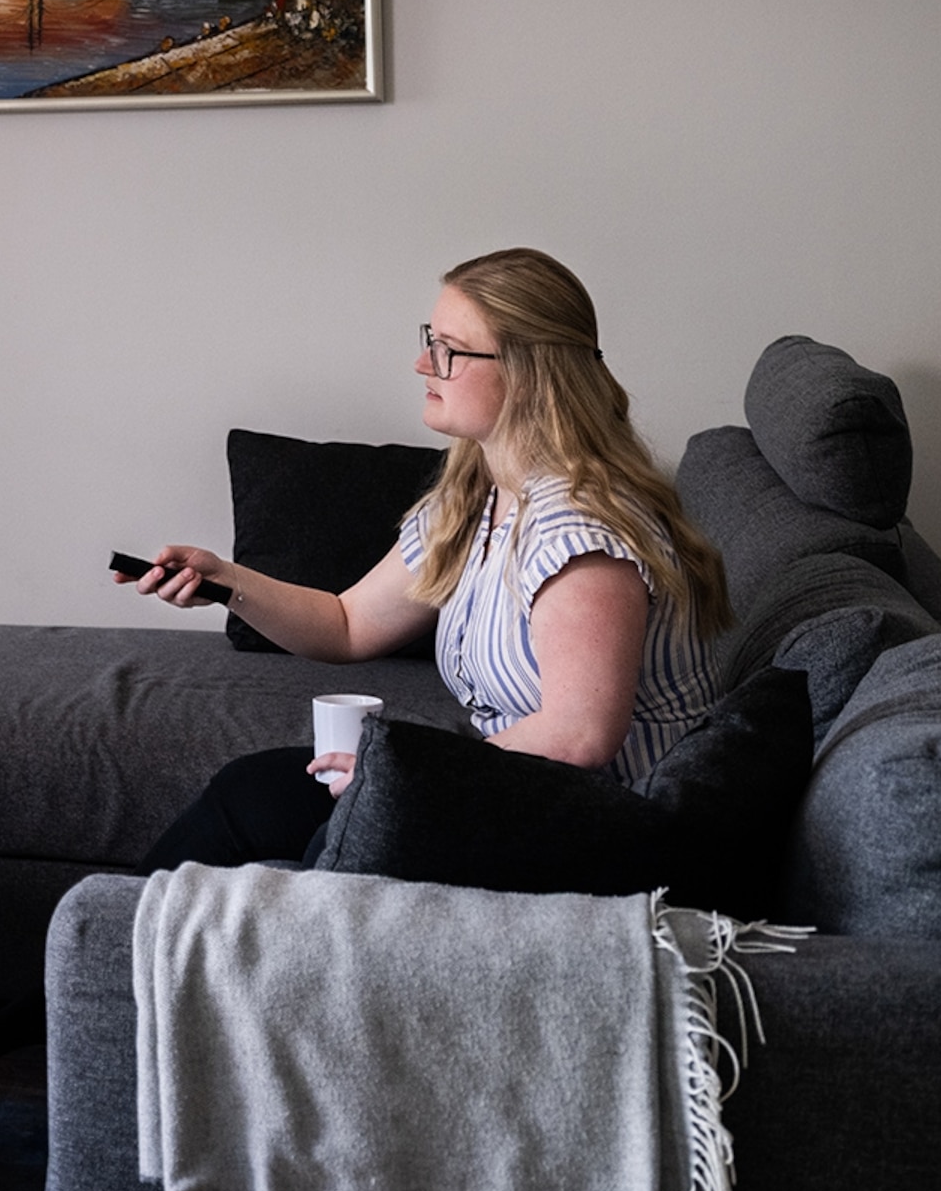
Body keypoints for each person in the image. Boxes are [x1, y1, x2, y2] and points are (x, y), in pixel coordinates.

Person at [117, 247, 729, 872]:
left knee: (320, 845)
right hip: (517, 791)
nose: (421, 363)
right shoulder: (477, 498)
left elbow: (580, 736)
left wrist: (403, 775)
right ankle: (117, 946)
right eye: (429, 341)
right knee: (246, 794)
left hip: (601, 826)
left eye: (448, 350)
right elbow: (348, 623)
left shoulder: (580, 530)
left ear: (527, 371)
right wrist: (226, 581)